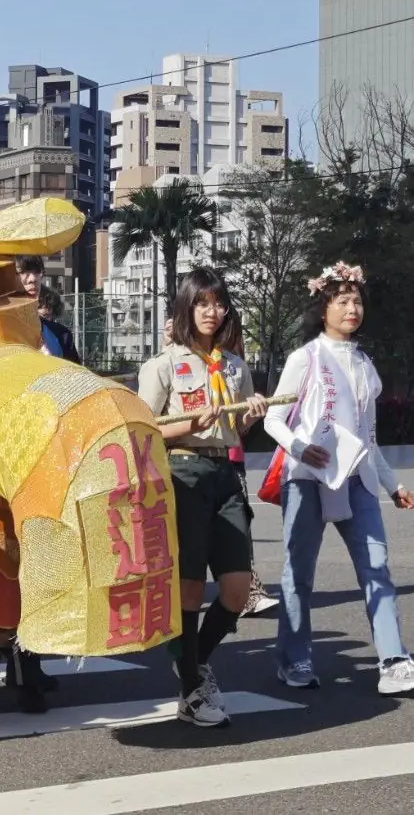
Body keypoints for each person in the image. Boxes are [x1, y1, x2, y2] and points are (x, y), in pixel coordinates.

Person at [265, 262, 414, 695]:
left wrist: (392, 485)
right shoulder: (304, 357)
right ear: (323, 307)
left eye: (357, 300)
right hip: (308, 477)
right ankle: (293, 660)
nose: (353, 308)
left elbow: (369, 437)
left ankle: (393, 659)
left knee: (377, 566)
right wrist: (298, 448)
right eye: (342, 300)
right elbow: (274, 419)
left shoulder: (365, 364)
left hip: (358, 478)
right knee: (299, 572)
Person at [137, 267, 269, 728]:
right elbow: (145, 427)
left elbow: (237, 427)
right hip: (183, 473)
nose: (211, 312)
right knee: (190, 585)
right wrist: (188, 424)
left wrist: (251, 416)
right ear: (187, 307)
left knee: (237, 588)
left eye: (218, 303)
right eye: (202, 303)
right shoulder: (163, 365)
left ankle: (194, 661)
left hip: (226, 473)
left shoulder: (234, 365)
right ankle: (191, 688)